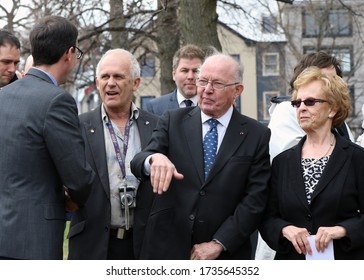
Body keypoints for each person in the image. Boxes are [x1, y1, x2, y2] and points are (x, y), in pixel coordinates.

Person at [131, 53, 271, 260]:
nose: (207, 90)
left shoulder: (256, 134)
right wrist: (153, 159)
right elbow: (138, 161)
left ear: (237, 90)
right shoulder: (172, 120)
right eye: (203, 81)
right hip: (168, 248)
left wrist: (219, 243)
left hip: (225, 255)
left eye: (217, 84)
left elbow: (255, 199)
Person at [0, 15, 94, 260]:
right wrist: (74, 200)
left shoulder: (3, 96)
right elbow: (79, 178)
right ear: (69, 53)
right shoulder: (56, 101)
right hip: (34, 240)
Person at [255, 51, 355, 260]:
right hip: (292, 256)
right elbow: (269, 213)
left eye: (332, 80)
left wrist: (343, 229)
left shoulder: (354, 154)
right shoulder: (284, 158)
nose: (301, 108)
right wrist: (284, 229)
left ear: (333, 107)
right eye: (298, 103)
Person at [67, 49, 158, 260]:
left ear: (135, 83)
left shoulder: (156, 126)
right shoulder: (78, 126)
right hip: (92, 245)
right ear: (97, 82)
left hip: (143, 245)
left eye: (118, 76)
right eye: (105, 77)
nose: (110, 83)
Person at [145, 44, 205, 115]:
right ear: (174, 74)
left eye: (196, 71)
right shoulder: (155, 108)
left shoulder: (213, 106)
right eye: (184, 71)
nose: (190, 77)